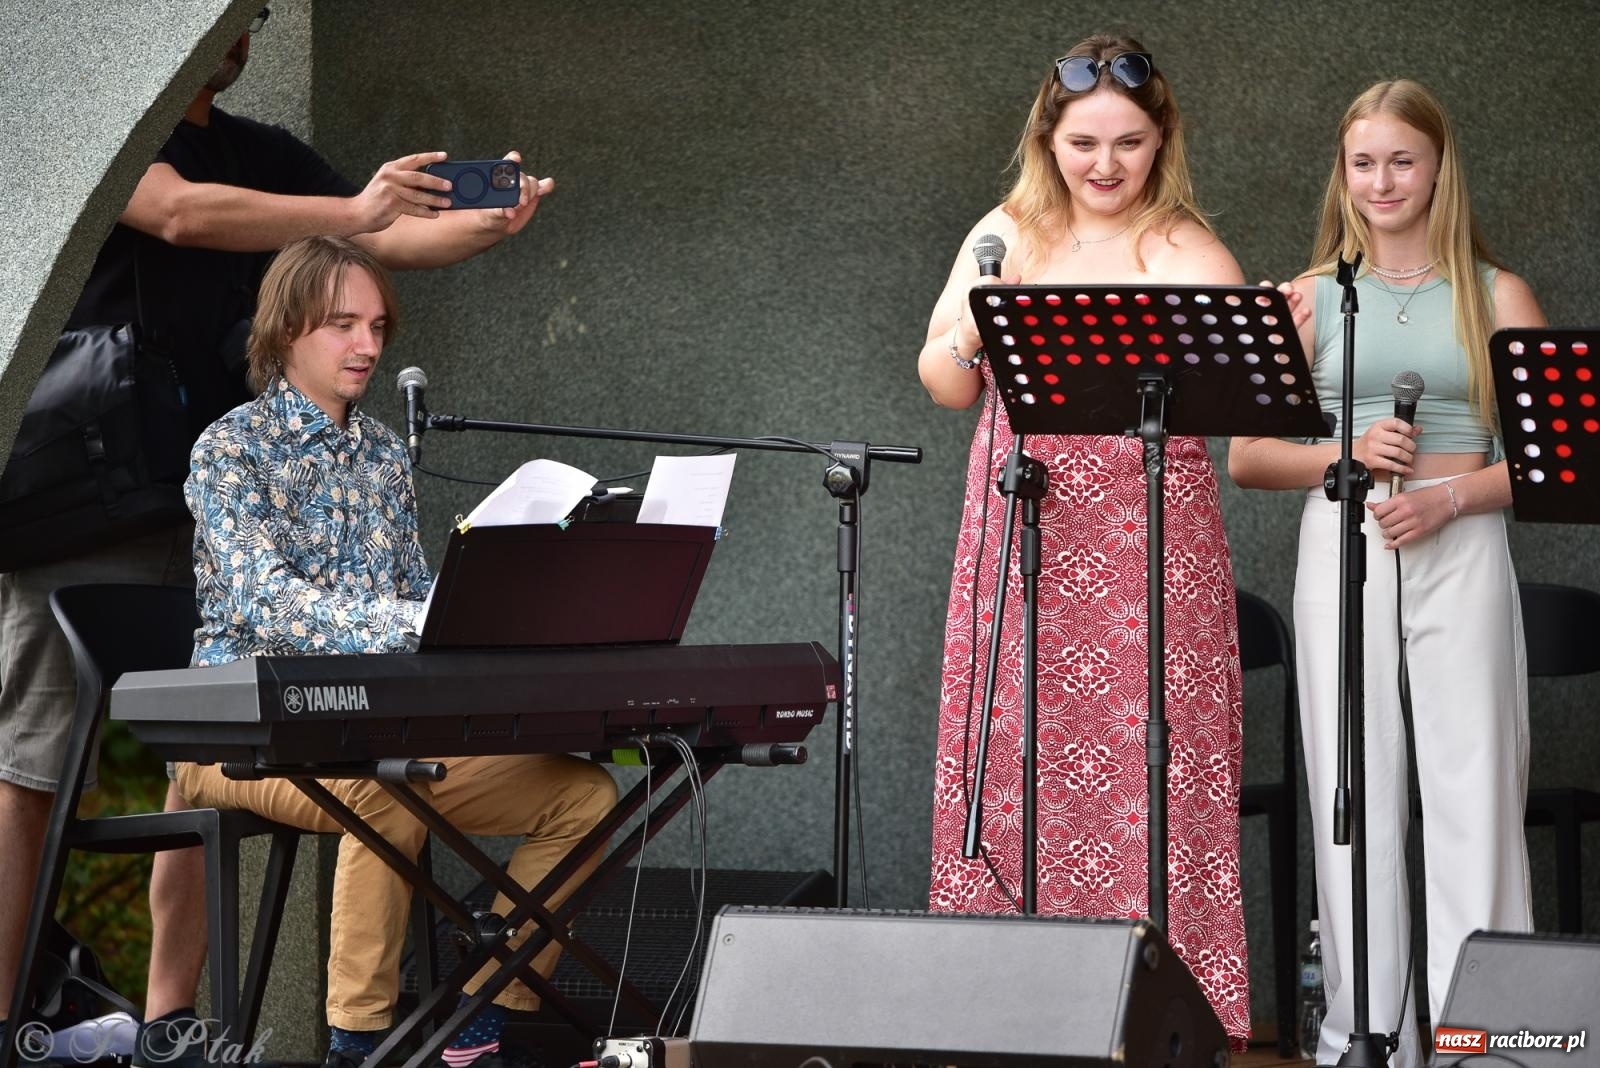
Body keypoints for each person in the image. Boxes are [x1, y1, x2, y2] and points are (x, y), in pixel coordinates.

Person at [0, 7, 554, 1052]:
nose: (240, 25)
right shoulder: (105, 129)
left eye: (256, 10)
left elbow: (380, 234)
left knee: (190, 753)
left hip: (219, 480)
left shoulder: (261, 153)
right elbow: (177, 215)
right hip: (93, 487)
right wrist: (352, 207)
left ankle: (166, 1024)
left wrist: (484, 223)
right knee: (29, 762)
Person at [142, 235, 617, 1068]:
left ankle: (480, 1018)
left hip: (376, 730)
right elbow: (271, 603)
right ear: (286, 329)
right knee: (386, 790)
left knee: (584, 796)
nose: (367, 345)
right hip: (236, 735)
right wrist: (417, 622)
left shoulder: (385, 456)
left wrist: (482, 616)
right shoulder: (229, 449)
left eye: (377, 326)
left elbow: (414, 592)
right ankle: (357, 1043)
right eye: (342, 325)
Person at [919, 34, 1250, 1046]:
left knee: (1150, 752)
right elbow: (940, 381)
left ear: (1163, 142)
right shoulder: (1005, 230)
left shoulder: (1184, 246)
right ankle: (1009, 1007)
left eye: (1129, 143)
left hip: (1146, 532)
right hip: (1023, 519)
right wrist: (971, 330)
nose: (1104, 166)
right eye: (1082, 144)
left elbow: (1238, 380)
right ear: (1046, 139)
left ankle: (1166, 1011)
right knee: (1014, 742)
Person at [1228, 79, 1539, 1068]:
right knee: (1351, 790)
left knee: (1474, 792)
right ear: (1343, 172)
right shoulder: (1312, 297)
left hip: (1460, 538)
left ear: (1438, 166)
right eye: (1362, 162)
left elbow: (1548, 460)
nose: (1381, 180)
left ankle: (1480, 1042)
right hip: (1344, 538)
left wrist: (1448, 498)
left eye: (1401, 159)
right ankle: (1361, 1039)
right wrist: (1344, 456)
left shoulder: (1498, 292)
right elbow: (1247, 456)